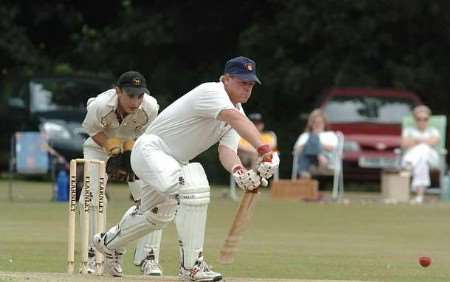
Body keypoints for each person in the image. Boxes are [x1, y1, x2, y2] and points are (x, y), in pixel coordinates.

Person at [92, 56, 280, 281]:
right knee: (193, 183)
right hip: (152, 150)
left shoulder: (236, 112)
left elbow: (227, 152)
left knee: (158, 215)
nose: (247, 89)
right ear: (226, 79)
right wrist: (264, 151)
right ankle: (192, 266)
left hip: (172, 162)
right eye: (242, 82)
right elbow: (234, 119)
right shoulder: (211, 92)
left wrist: (239, 172)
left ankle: (107, 243)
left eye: (250, 84)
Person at [81, 70, 162, 275]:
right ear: (118, 91)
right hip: (99, 146)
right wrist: (111, 147)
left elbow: (150, 138)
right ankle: (93, 256)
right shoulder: (100, 105)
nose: (135, 102)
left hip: (133, 147)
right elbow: (92, 131)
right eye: (130, 95)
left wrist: (128, 152)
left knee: (149, 199)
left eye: (139, 96)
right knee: (91, 197)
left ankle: (146, 257)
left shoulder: (150, 107)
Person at [401, 105, 440, 204]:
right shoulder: (408, 130)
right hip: (420, 159)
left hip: (430, 158)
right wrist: (425, 141)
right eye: (419, 119)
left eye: (425, 119)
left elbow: (434, 141)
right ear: (415, 119)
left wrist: (416, 141)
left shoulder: (433, 130)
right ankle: (419, 196)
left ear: (428, 119)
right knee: (421, 161)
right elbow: (405, 143)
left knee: (423, 148)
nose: (422, 121)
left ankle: (410, 163)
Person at [293, 109, 338, 179]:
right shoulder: (305, 135)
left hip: (327, 159)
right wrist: (311, 145)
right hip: (313, 160)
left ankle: (304, 173)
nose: (317, 125)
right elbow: (297, 149)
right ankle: (319, 155)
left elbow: (333, 148)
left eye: (319, 122)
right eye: (315, 122)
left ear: (324, 123)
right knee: (313, 137)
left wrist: (316, 144)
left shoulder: (330, 135)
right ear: (311, 124)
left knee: (313, 137)